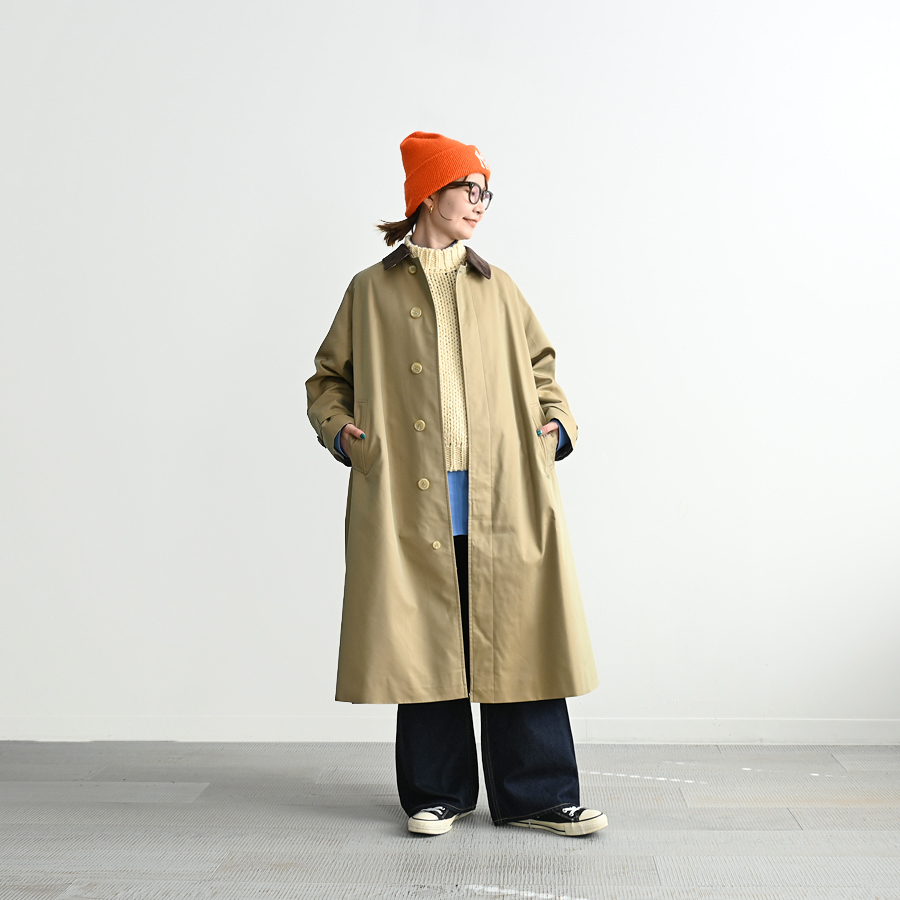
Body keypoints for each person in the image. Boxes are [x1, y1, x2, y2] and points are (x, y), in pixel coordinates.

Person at [305, 131, 606, 838]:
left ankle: (537, 795)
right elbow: (327, 381)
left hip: (505, 494)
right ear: (428, 194)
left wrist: (555, 429)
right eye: (469, 188)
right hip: (409, 498)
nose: (480, 203)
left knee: (521, 639)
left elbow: (542, 371)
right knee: (425, 640)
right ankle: (436, 793)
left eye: (485, 192)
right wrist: (346, 436)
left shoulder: (498, 287)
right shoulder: (370, 290)